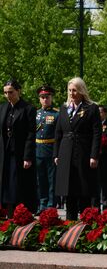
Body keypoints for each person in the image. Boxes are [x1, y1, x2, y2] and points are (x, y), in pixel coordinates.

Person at [54, 77, 101, 220]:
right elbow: (58, 133)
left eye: (74, 90)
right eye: (69, 90)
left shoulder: (91, 108)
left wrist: (94, 155)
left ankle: (85, 227)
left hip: (83, 152)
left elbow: (97, 133)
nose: (72, 93)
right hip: (66, 152)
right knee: (69, 192)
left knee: (83, 190)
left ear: (81, 91)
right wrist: (56, 154)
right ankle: (70, 225)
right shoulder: (63, 108)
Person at [0, 80, 37, 216]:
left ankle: (19, 213)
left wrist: (27, 156)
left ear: (18, 91)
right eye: (5, 93)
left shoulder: (28, 109)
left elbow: (31, 134)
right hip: (5, 151)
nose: (8, 95)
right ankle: (6, 211)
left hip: (20, 152)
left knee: (17, 184)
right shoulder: (3, 108)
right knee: (5, 182)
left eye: (11, 92)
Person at [35, 85, 58, 213]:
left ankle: (50, 205)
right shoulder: (36, 114)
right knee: (40, 179)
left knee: (51, 180)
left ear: (51, 98)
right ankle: (42, 204)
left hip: (50, 150)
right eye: (42, 97)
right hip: (38, 149)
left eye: (47, 97)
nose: (45, 99)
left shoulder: (56, 114)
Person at [96, 105, 107, 211]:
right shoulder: (93, 124)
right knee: (95, 185)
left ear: (105, 113)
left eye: (100, 112)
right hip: (95, 159)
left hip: (106, 158)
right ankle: (95, 208)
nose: (99, 114)